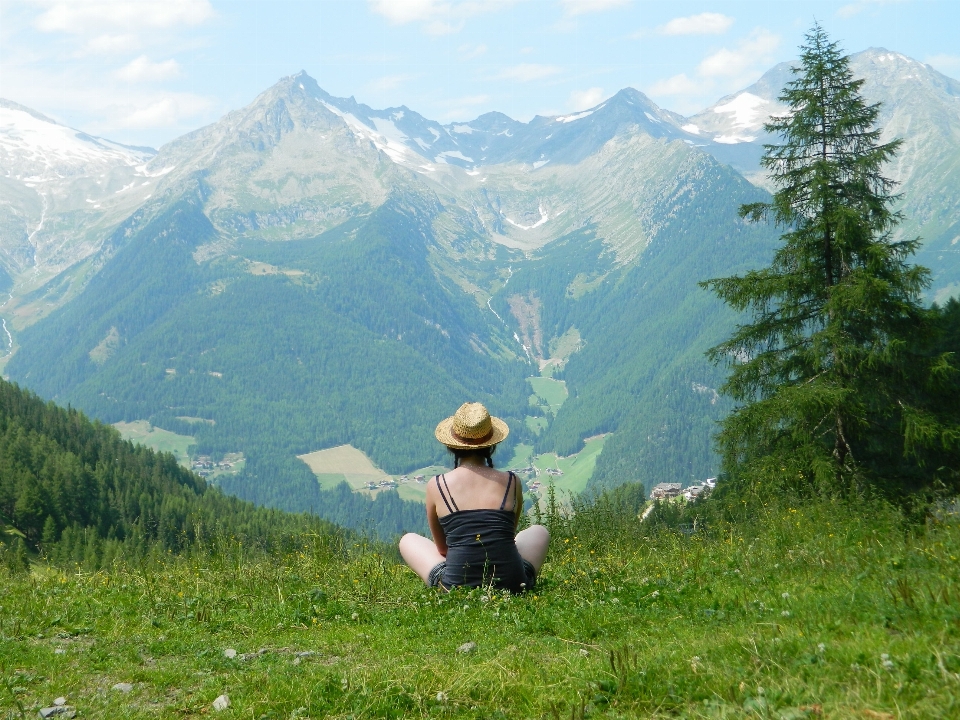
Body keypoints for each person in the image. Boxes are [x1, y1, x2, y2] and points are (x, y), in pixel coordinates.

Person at [399, 402, 550, 593]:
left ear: (452, 446)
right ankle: (517, 576)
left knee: (408, 540)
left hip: (456, 586)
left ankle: (450, 583)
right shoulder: (512, 482)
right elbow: (507, 537)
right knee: (539, 531)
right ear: (491, 446)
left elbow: (443, 549)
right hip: (513, 585)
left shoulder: (437, 486)